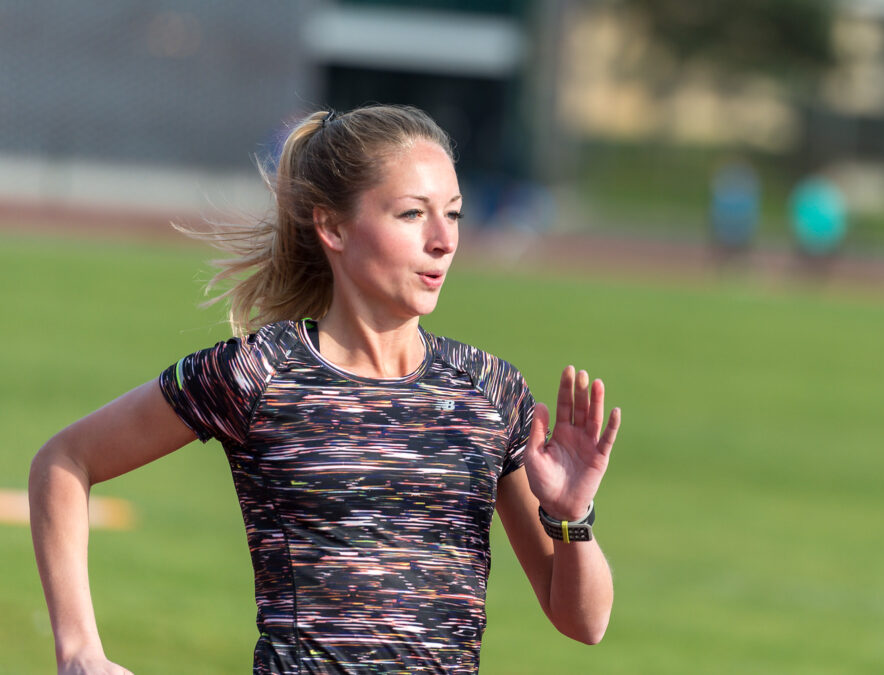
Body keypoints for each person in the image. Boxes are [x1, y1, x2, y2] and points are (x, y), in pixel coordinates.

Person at [28, 105, 621, 674]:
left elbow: (583, 622)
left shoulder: (491, 392)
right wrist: (79, 648)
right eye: (413, 214)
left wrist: (572, 518)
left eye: (455, 213)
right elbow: (64, 460)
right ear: (333, 226)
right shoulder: (257, 373)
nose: (444, 240)